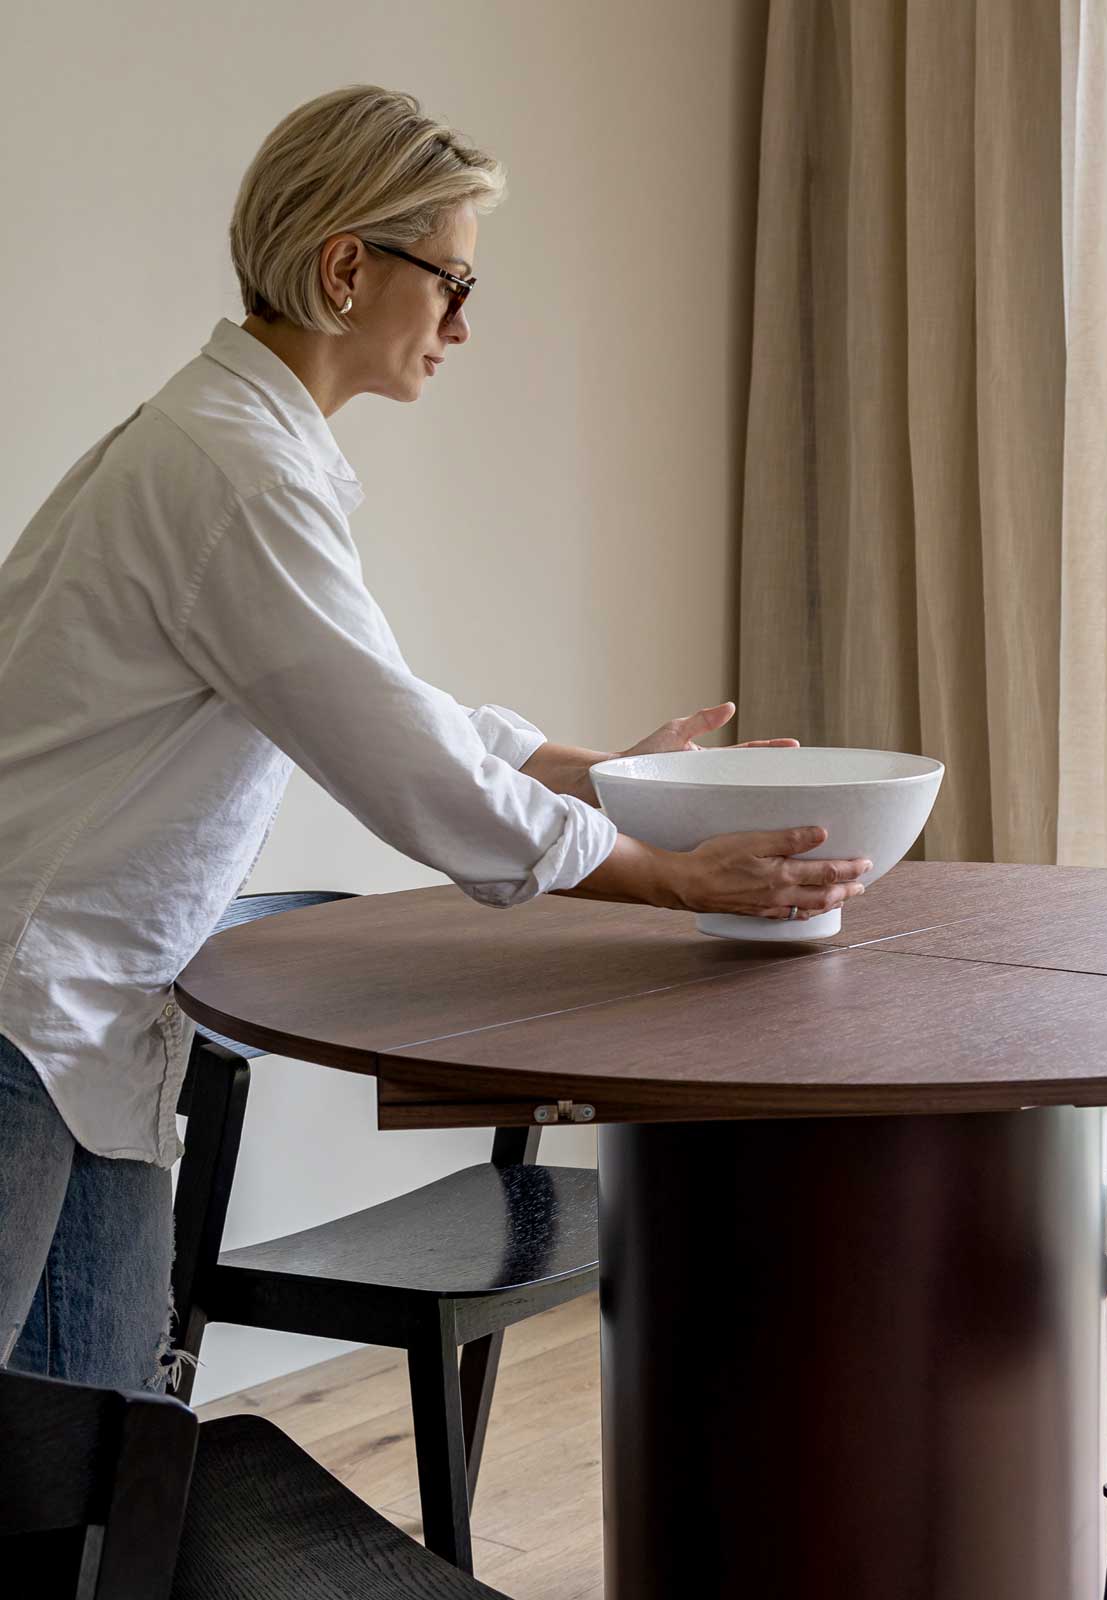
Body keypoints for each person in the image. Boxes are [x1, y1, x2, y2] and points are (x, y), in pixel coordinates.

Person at [0, 85, 870, 1393]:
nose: (464, 325)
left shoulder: (240, 452)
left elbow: (391, 709)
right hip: (24, 1009)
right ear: (349, 267)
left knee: (89, 1472)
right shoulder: (232, 472)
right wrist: (664, 873)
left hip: (78, 1025)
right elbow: (407, 766)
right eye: (452, 282)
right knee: (74, 1472)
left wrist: (609, 779)